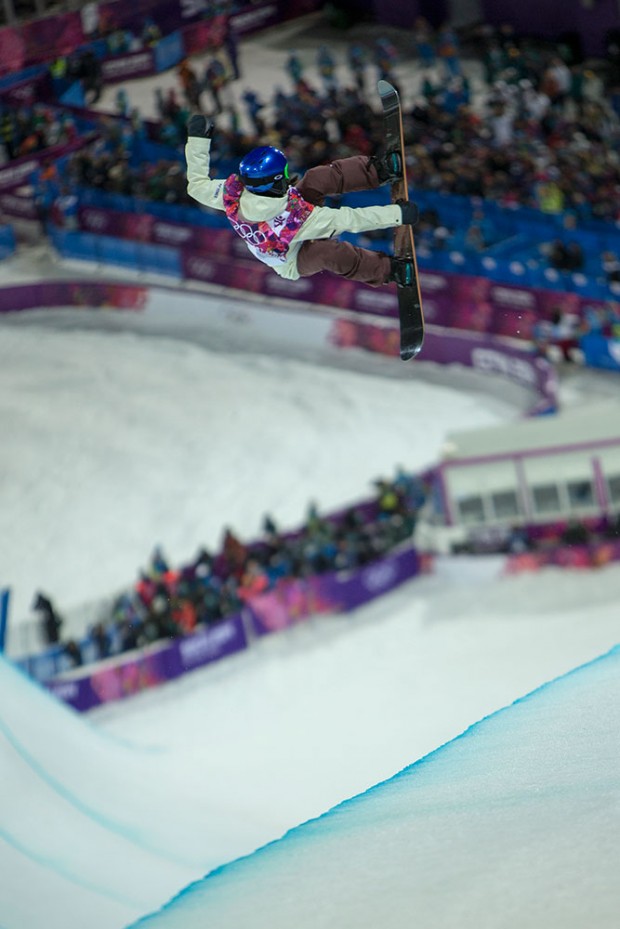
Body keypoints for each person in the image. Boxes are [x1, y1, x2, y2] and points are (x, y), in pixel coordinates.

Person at [185, 115, 419, 287]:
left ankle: (380, 171)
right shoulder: (295, 223)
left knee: (316, 178)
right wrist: (397, 215)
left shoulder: (232, 193)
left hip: (289, 208)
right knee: (328, 252)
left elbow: (197, 186)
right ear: (276, 181)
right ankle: (391, 271)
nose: (289, 176)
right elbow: (349, 219)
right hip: (291, 258)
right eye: (285, 173)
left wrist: (198, 138)